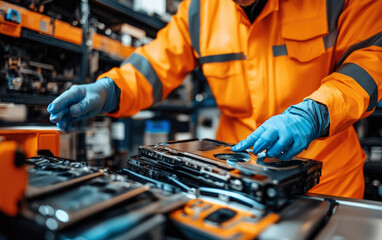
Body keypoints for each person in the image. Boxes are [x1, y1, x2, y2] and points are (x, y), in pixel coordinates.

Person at [47, 0, 382, 199]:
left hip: (327, 182)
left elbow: (372, 60)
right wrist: (108, 89)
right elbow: (155, 65)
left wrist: (315, 114)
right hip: (236, 182)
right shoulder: (201, 9)